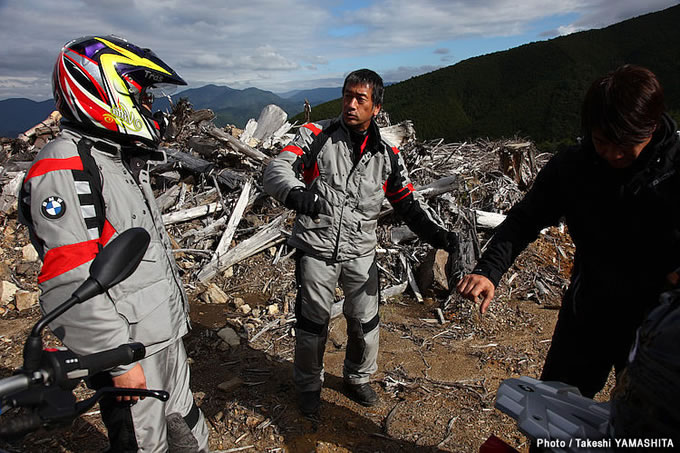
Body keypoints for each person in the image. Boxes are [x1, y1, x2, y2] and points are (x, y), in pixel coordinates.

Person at [18, 35, 209, 452]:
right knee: (144, 443)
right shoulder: (66, 164)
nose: (147, 105)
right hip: (127, 346)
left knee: (187, 428)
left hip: (160, 332)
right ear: (103, 86)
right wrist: (119, 361)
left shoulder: (115, 156)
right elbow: (69, 278)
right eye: (140, 93)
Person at [457, 64, 680, 399]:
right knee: (553, 412)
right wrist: (489, 271)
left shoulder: (676, 173)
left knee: (649, 421)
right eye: (603, 140)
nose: (613, 153)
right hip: (589, 309)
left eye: (627, 143)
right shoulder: (574, 167)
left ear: (652, 125)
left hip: (658, 323)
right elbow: (524, 220)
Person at [263, 69, 459, 418]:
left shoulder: (388, 154)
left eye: (360, 99)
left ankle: (357, 377)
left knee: (365, 321)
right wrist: (295, 193)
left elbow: (407, 203)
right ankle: (308, 384)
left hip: (360, 251)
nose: (350, 104)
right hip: (317, 249)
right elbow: (277, 168)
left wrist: (436, 235)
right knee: (313, 322)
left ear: (377, 108)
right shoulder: (316, 135)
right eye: (347, 96)